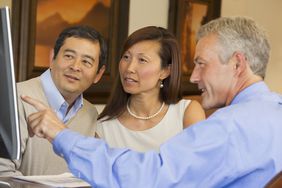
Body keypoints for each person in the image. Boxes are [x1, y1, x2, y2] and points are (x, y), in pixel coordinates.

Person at [22, 16, 282, 187]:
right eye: (126, 57)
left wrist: (61, 135)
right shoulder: (273, 113)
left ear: (237, 64)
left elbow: (150, 176)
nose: (196, 76)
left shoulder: (229, 127)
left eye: (202, 64)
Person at [0, 25, 107, 176]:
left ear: (98, 74)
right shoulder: (14, 99)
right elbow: (3, 173)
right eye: (69, 56)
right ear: (52, 58)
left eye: (86, 62)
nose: (75, 67)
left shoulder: (90, 113)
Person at [96, 26, 205, 152]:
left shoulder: (187, 113)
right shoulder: (104, 126)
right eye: (126, 57)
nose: (129, 68)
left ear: (165, 71)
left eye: (142, 60)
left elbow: (198, 167)